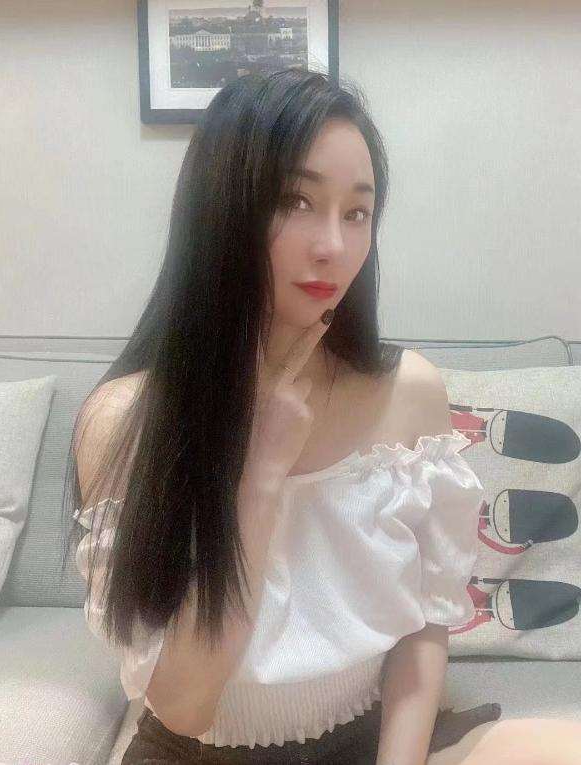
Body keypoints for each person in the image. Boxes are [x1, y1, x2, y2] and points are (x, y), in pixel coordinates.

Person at [62, 67, 581, 764]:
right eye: (296, 201)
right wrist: (259, 474)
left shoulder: (409, 393)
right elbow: (184, 704)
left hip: (372, 739)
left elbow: (424, 624)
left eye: (357, 212)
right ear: (221, 211)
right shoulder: (124, 421)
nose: (333, 245)